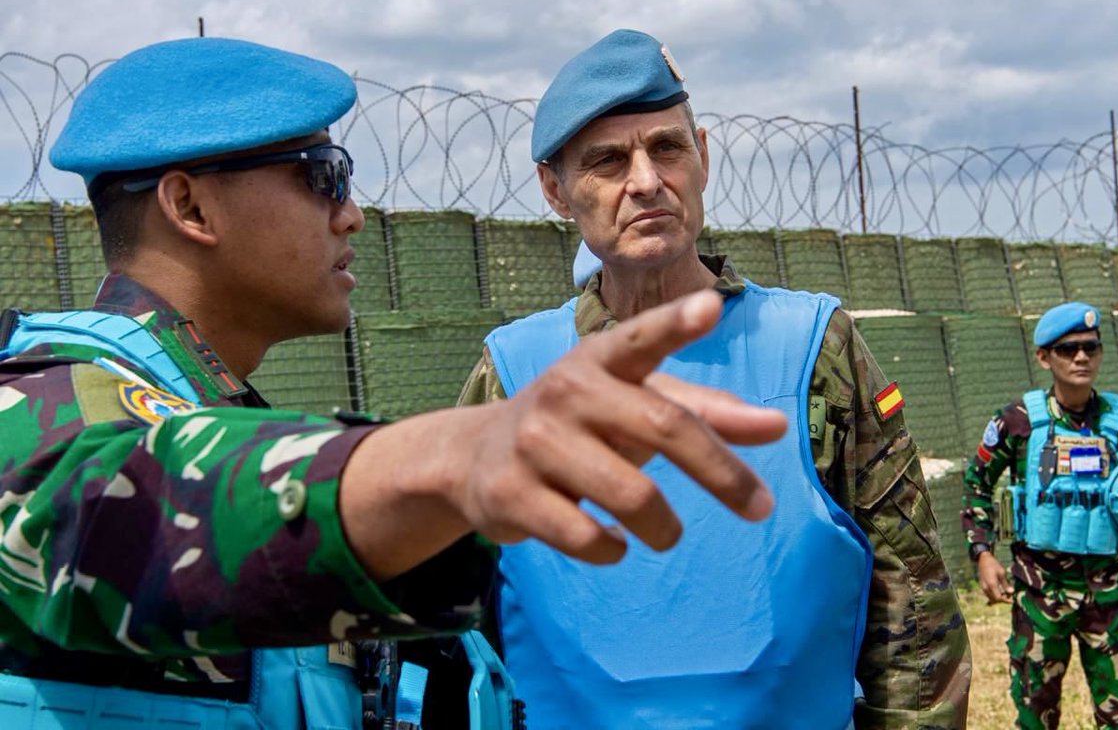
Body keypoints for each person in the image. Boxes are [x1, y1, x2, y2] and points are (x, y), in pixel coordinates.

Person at [0, 37, 794, 729]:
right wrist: (443, 458)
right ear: (190, 206)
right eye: (323, 176)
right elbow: (112, 507)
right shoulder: (44, 400)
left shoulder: (201, 403)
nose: (351, 214)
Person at [458, 28, 971, 730]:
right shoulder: (513, 373)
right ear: (556, 190)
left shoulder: (817, 348)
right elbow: (462, 613)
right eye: (607, 161)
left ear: (702, 156)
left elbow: (910, 602)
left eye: (666, 147)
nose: (645, 180)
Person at [962, 301, 1118, 729]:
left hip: (1110, 590)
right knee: (1035, 714)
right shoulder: (1018, 421)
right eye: (1068, 349)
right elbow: (977, 484)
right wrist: (983, 554)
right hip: (1041, 593)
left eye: (1091, 347)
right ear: (1044, 357)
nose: (1082, 357)